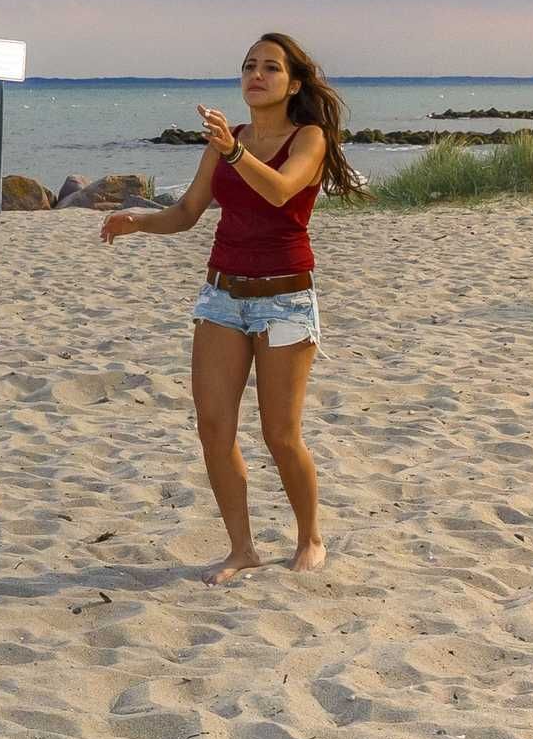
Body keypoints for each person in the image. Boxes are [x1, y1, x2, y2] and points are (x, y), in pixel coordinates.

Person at [99, 30, 363, 580]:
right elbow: (188, 212)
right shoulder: (227, 141)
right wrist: (138, 221)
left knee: (280, 435)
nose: (256, 75)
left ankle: (310, 537)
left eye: (271, 67)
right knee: (214, 429)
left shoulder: (308, 138)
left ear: (294, 84)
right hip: (221, 297)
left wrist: (234, 152)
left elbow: (281, 190)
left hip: (285, 300)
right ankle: (242, 549)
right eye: (249, 66)